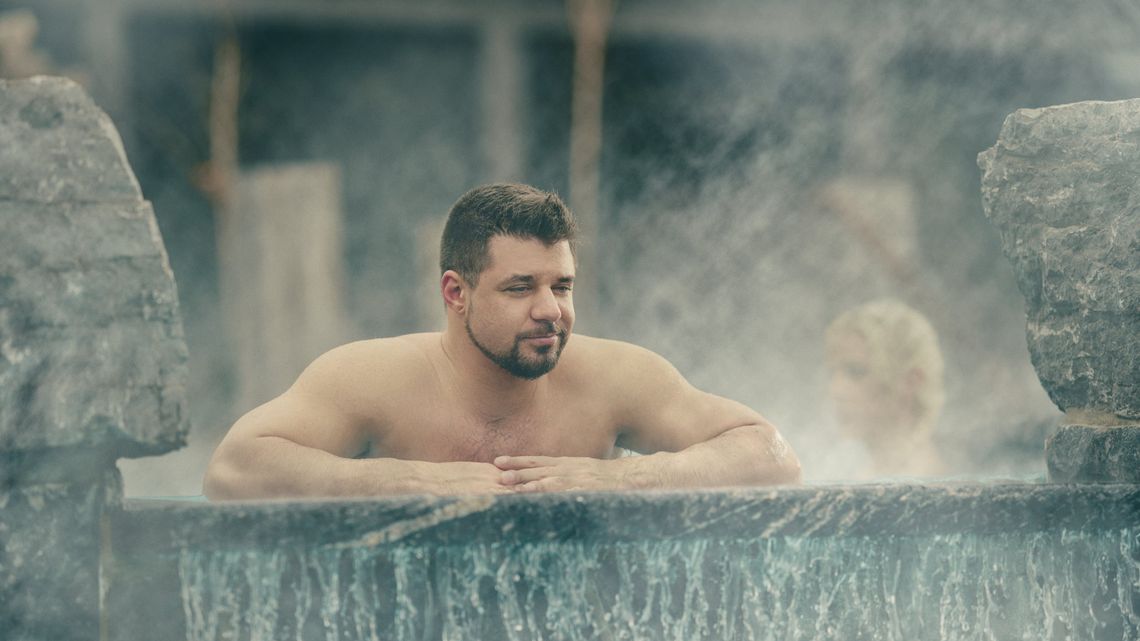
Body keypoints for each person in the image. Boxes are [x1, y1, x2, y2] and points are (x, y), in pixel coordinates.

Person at [203, 183, 800, 499]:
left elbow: (770, 456)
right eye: (520, 288)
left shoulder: (615, 378)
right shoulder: (371, 380)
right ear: (455, 292)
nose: (551, 311)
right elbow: (232, 470)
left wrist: (627, 479)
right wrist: (406, 481)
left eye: (561, 285)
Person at [823, 299, 945, 478]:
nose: (835, 390)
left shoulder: (932, 488)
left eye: (856, 372)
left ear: (910, 382)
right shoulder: (863, 477)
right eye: (833, 373)